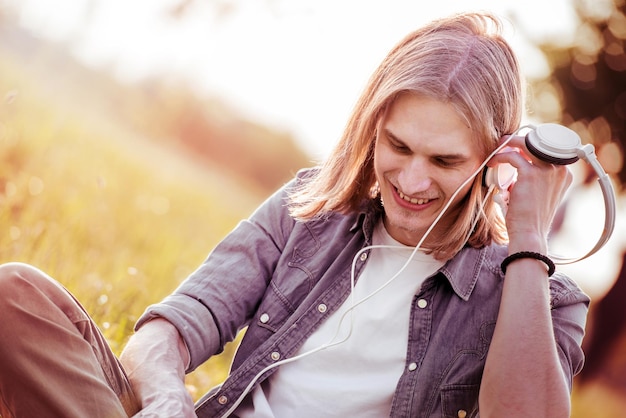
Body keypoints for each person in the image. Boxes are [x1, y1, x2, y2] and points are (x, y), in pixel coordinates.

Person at [0, 11, 590, 418]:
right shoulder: (310, 207)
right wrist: (166, 401)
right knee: (15, 295)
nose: (411, 181)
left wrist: (529, 238)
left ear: (497, 160)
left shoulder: (543, 299)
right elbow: (169, 331)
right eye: (399, 147)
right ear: (372, 130)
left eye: (444, 159)